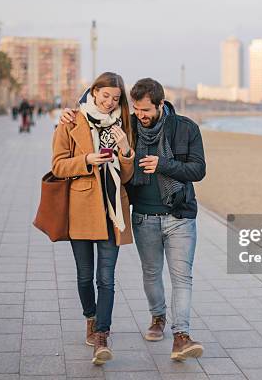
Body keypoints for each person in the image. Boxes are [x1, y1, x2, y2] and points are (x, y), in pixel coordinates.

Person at [59, 78, 207, 361]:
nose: (140, 116)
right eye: (136, 110)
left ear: (161, 105)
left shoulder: (185, 128)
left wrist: (163, 165)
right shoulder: (127, 127)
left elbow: (198, 169)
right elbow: (96, 111)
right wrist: (68, 113)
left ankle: (181, 336)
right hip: (143, 216)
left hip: (180, 215)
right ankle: (157, 317)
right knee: (151, 275)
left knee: (182, 278)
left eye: (146, 111)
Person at [52, 72, 135, 366]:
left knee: (107, 278)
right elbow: (58, 165)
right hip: (82, 209)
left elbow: (127, 175)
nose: (111, 102)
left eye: (116, 98)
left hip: (113, 212)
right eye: (106, 96)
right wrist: (87, 161)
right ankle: (90, 316)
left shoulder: (122, 125)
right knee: (85, 276)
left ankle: (102, 333)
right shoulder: (72, 120)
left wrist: (125, 150)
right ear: (94, 91)